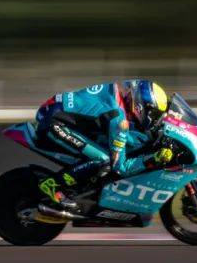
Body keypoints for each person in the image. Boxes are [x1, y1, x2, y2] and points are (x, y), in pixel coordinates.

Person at [33, 79, 175, 212]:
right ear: (140, 106)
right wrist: (152, 158)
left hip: (54, 108)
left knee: (103, 145)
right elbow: (121, 167)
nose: (154, 119)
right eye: (153, 114)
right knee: (105, 159)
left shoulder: (116, 90)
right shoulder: (119, 120)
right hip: (55, 123)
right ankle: (52, 184)